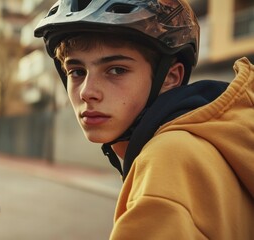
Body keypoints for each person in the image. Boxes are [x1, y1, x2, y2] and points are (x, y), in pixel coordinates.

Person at [34, 0, 254, 239]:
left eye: (116, 70)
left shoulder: (168, 160)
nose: (87, 92)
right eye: (77, 72)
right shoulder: (212, 144)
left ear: (170, 77)